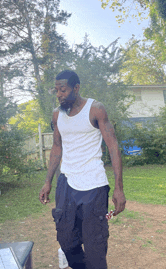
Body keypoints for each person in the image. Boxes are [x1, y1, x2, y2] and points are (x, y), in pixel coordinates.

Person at [39, 70, 126, 269]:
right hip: (66, 183)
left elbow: (112, 146)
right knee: (67, 240)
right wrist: (47, 181)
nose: (59, 94)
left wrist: (119, 188)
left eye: (63, 90)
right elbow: (56, 147)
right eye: (57, 91)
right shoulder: (56, 114)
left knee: (95, 245)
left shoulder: (95, 109)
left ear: (76, 88)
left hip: (94, 186)